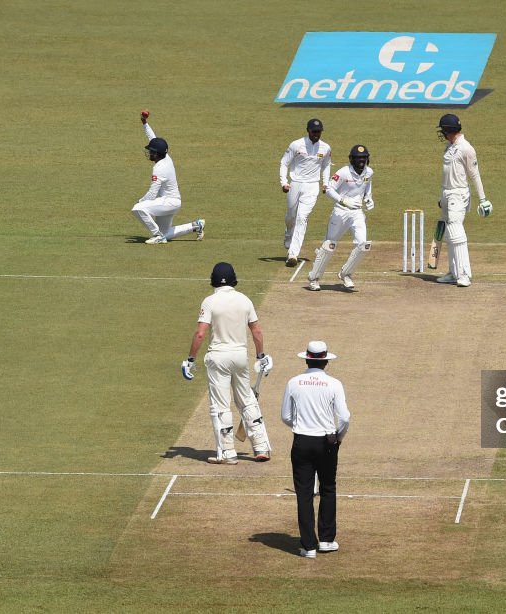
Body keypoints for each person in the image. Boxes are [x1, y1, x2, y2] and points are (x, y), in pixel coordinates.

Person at [182, 262, 274, 463]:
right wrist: (261, 356)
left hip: (218, 357)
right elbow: (256, 331)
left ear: (213, 281)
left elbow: (200, 334)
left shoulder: (210, 301)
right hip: (240, 356)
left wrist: (190, 359)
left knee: (221, 405)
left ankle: (228, 452)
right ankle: (261, 447)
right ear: (234, 280)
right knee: (246, 400)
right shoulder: (244, 300)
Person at [281, 340, 350, 559]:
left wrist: (302, 429)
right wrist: (337, 438)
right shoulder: (334, 384)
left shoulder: (294, 382)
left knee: (304, 493)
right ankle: (327, 540)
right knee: (328, 488)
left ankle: (309, 546)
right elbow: (345, 418)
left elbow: (286, 416)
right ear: (326, 362)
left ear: (306, 359)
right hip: (327, 442)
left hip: (302, 441)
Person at [306, 144, 374, 291]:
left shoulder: (369, 172)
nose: (361, 161)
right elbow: (329, 189)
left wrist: (368, 199)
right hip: (340, 212)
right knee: (329, 245)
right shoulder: (343, 172)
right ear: (352, 159)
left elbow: (367, 187)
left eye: (363, 158)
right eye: (358, 158)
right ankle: (314, 278)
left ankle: (346, 274)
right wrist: (342, 200)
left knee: (363, 245)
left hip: (357, 212)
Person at [435, 114, 491, 288]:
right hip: (447, 194)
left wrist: (483, 199)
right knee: (449, 235)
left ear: (449, 131)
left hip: (458, 195)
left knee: (456, 232)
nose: (442, 133)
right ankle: (453, 272)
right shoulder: (449, 147)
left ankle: (465, 274)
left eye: (443, 130)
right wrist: (441, 196)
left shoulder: (466, 148)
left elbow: (474, 174)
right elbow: (448, 174)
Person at [132, 110, 204, 244]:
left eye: (151, 152)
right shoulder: (166, 157)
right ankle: (196, 225)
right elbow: (152, 139)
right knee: (166, 233)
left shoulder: (159, 168)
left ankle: (158, 236)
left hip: (169, 202)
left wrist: (140, 201)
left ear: (157, 154)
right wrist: (145, 123)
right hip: (172, 201)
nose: (149, 153)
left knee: (137, 208)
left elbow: (152, 194)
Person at [280, 119, 332, 267]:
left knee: (302, 217)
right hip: (295, 183)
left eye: (319, 131)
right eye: (314, 131)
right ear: (308, 130)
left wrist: (326, 183)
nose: (316, 134)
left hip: (312, 186)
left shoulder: (325, 148)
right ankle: (288, 235)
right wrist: (284, 182)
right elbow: (284, 163)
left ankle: (293, 254)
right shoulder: (296, 144)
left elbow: (327, 165)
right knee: (291, 216)